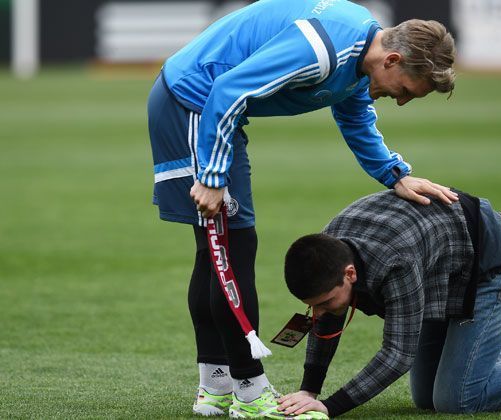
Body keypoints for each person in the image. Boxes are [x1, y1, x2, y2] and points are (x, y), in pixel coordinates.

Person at [147, 0, 458, 417]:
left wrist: (395, 174)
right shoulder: (324, 50)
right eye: (405, 90)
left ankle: (217, 385)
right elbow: (229, 90)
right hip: (196, 106)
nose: (400, 101)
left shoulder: (360, 55)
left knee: (215, 252)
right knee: (233, 249)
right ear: (393, 60)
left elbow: (355, 116)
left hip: (207, 110)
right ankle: (250, 391)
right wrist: (214, 175)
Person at [280, 189, 501, 417]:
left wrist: (330, 407)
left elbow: (397, 355)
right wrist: (309, 390)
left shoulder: (395, 262)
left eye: (323, 302)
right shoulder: (327, 251)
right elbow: (326, 320)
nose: (318, 313)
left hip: (494, 265)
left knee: (457, 398)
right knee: (426, 396)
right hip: (442, 274)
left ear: (350, 273)